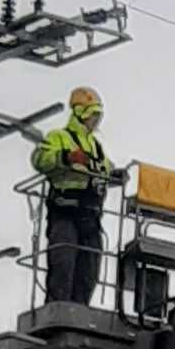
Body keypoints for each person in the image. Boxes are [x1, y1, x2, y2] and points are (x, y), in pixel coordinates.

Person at [33, 85, 112, 307]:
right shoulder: (59, 137)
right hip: (65, 212)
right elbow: (40, 159)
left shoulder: (96, 147)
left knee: (89, 270)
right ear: (79, 113)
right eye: (91, 114)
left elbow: (104, 168)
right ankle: (57, 309)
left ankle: (79, 310)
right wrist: (66, 157)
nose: (95, 120)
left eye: (97, 115)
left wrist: (115, 174)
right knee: (63, 264)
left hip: (90, 217)